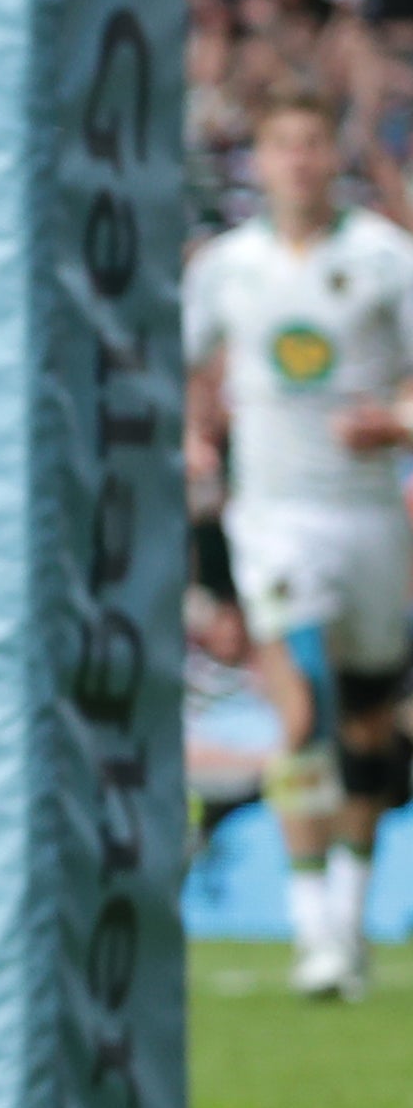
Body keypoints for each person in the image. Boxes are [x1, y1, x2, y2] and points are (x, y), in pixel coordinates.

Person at [182, 90, 413, 999]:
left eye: (314, 144)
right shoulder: (227, 268)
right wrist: (197, 435)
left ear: (334, 156)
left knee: (364, 725)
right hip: (273, 517)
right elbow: (177, 364)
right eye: (282, 146)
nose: (299, 162)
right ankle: (312, 928)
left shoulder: (386, 260)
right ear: (260, 161)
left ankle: (347, 925)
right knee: (303, 712)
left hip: (367, 518)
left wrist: (397, 425)